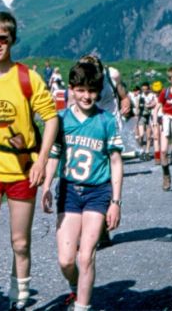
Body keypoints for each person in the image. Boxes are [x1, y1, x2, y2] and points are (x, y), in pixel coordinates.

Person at [0, 12, 59, 311]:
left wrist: (42, 160)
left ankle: (19, 298)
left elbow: (52, 118)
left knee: (20, 243)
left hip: (22, 170)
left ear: (12, 40)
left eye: (3, 38)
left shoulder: (27, 78)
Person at [42, 61, 123, 311]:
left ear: (98, 91)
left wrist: (116, 202)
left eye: (91, 91)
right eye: (81, 90)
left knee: (86, 255)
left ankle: (82, 306)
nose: (86, 96)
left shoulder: (107, 121)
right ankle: (76, 288)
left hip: (97, 193)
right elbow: (54, 156)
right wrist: (46, 186)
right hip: (69, 192)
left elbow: (116, 162)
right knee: (66, 260)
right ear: (71, 89)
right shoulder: (62, 120)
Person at [135, 82, 157, 161]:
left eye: (146, 89)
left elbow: (155, 103)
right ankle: (141, 150)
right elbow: (137, 106)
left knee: (148, 136)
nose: (144, 90)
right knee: (141, 135)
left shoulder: (152, 95)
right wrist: (137, 114)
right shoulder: (139, 96)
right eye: (143, 89)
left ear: (148, 88)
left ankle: (147, 152)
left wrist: (150, 105)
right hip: (142, 116)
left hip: (149, 116)